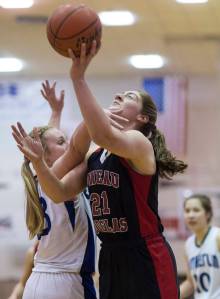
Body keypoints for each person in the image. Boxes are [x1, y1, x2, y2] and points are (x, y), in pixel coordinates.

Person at [11, 42, 187, 299]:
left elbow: (103, 133)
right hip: (110, 257)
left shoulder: (139, 143)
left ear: (143, 118)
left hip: (144, 255)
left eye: (129, 97)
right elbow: (58, 192)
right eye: (120, 94)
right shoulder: (96, 155)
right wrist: (39, 162)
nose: (119, 96)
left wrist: (78, 79)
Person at [10, 80, 99, 299]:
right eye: (63, 142)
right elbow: (66, 150)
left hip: (39, 281)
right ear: (46, 156)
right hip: (67, 283)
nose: (68, 144)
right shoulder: (60, 175)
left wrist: (55, 111)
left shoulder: (41, 177)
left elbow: (50, 145)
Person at [180, 194, 220, 299]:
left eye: (196, 210)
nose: (191, 215)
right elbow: (190, 282)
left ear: (207, 214)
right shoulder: (188, 244)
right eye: (187, 211)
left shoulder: (217, 236)